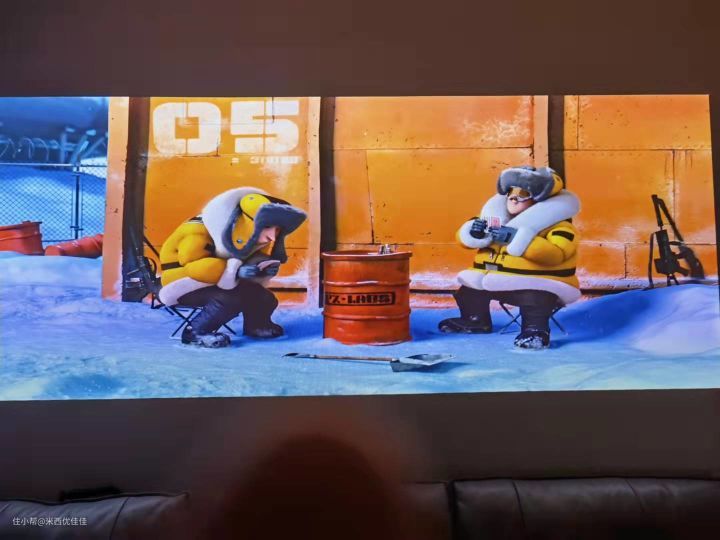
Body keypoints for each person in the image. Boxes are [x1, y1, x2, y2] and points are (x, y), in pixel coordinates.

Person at [439, 166, 581, 349]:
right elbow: (463, 240)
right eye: (511, 193)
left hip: (535, 284)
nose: (514, 198)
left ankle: (535, 331)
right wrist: (473, 233)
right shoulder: (493, 219)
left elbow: (556, 254)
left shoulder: (560, 228)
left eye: (523, 194)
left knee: (535, 298)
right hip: (492, 280)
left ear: (540, 200)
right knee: (469, 292)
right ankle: (475, 320)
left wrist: (516, 238)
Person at [158, 187, 306, 348]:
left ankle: (256, 326)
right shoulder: (196, 231)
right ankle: (195, 332)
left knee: (264, 297)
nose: (272, 237)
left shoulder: (250, 235)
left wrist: (260, 270)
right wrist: (235, 272)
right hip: (182, 281)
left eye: (277, 230)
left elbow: (251, 259)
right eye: (267, 227)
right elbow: (194, 266)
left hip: (222, 282)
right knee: (228, 300)